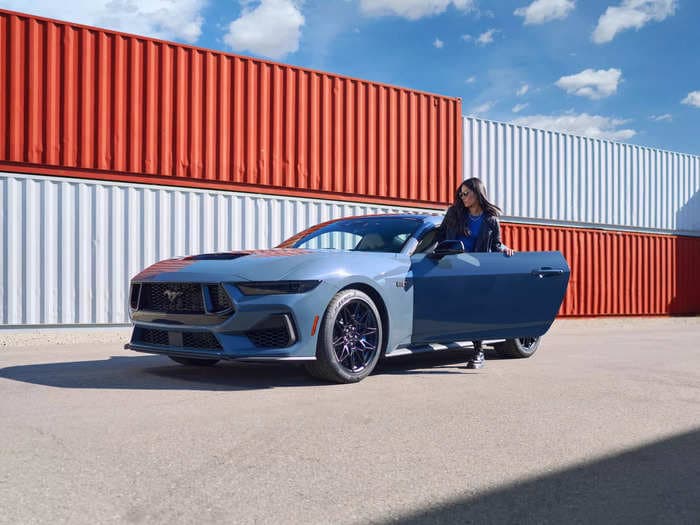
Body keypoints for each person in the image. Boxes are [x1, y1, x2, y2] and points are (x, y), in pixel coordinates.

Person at [436, 177, 514, 369]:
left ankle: (478, 351)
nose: (462, 197)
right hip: (455, 267)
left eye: (466, 193)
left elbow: (495, 244)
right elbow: (441, 236)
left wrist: (505, 249)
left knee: (475, 308)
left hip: (478, 269)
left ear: (477, 193)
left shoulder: (491, 219)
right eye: (460, 194)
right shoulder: (454, 213)